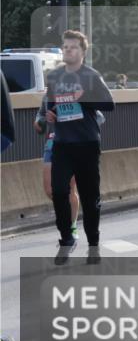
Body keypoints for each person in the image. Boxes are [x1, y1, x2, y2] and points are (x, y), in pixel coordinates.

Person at [45, 30, 115, 265]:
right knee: (58, 191)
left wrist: (84, 99)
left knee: (89, 197)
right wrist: (50, 114)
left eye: (73, 47)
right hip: (62, 143)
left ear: (83, 52)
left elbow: (109, 104)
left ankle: (93, 245)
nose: (68, 51)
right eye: (65, 47)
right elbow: (53, 104)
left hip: (86, 142)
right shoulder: (54, 76)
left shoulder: (91, 76)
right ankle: (67, 239)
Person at [36, 94, 80, 239]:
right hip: (51, 144)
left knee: (69, 190)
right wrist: (40, 122)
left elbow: (97, 117)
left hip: (72, 145)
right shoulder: (48, 96)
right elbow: (40, 117)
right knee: (50, 190)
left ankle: (71, 226)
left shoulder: (78, 92)